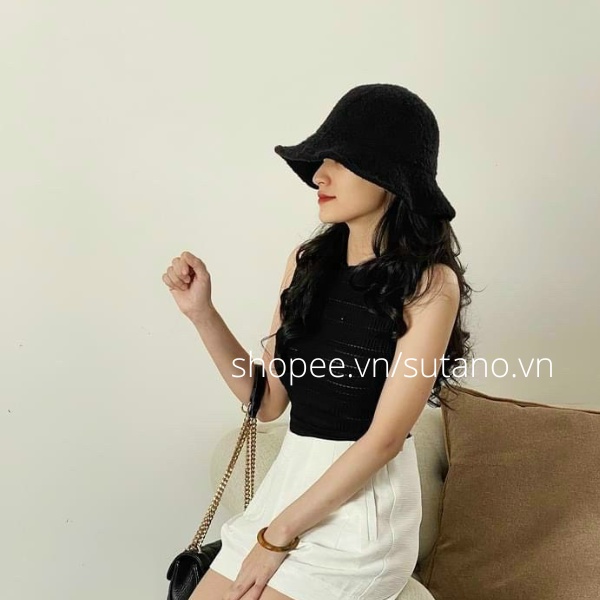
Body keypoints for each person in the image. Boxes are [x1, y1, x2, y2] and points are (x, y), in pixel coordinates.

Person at [162, 83, 473, 600]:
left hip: (361, 518)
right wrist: (202, 314)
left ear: (390, 176)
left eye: (339, 161)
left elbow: (385, 439)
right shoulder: (306, 263)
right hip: (286, 494)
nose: (319, 176)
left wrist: (278, 536)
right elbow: (267, 401)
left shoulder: (430, 286)